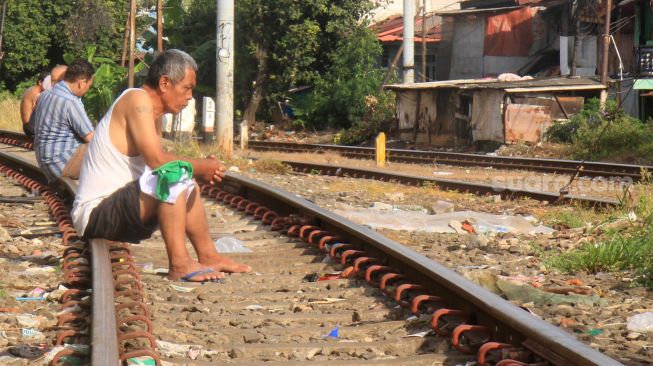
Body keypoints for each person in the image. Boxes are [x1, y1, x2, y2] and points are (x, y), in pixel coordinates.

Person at [72, 49, 251, 282]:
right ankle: (179, 264)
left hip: (118, 209)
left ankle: (209, 255)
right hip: (96, 214)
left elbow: (158, 162)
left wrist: (196, 170)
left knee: (188, 182)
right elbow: (157, 161)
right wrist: (200, 165)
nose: (189, 97)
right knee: (174, 176)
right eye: (187, 88)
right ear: (165, 82)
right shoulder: (136, 100)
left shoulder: (152, 113)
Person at [32, 59, 95, 182]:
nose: (87, 90)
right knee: (107, 148)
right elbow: (91, 138)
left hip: (47, 161)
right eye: (89, 86)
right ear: (82, 83)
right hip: (61, 163)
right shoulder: (70, 101)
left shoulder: (46, 94)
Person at [19, 71, 49, 138]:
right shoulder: (36, 92)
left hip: (29, 126)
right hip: (31, 127)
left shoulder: (31, 89)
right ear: (40, 82)